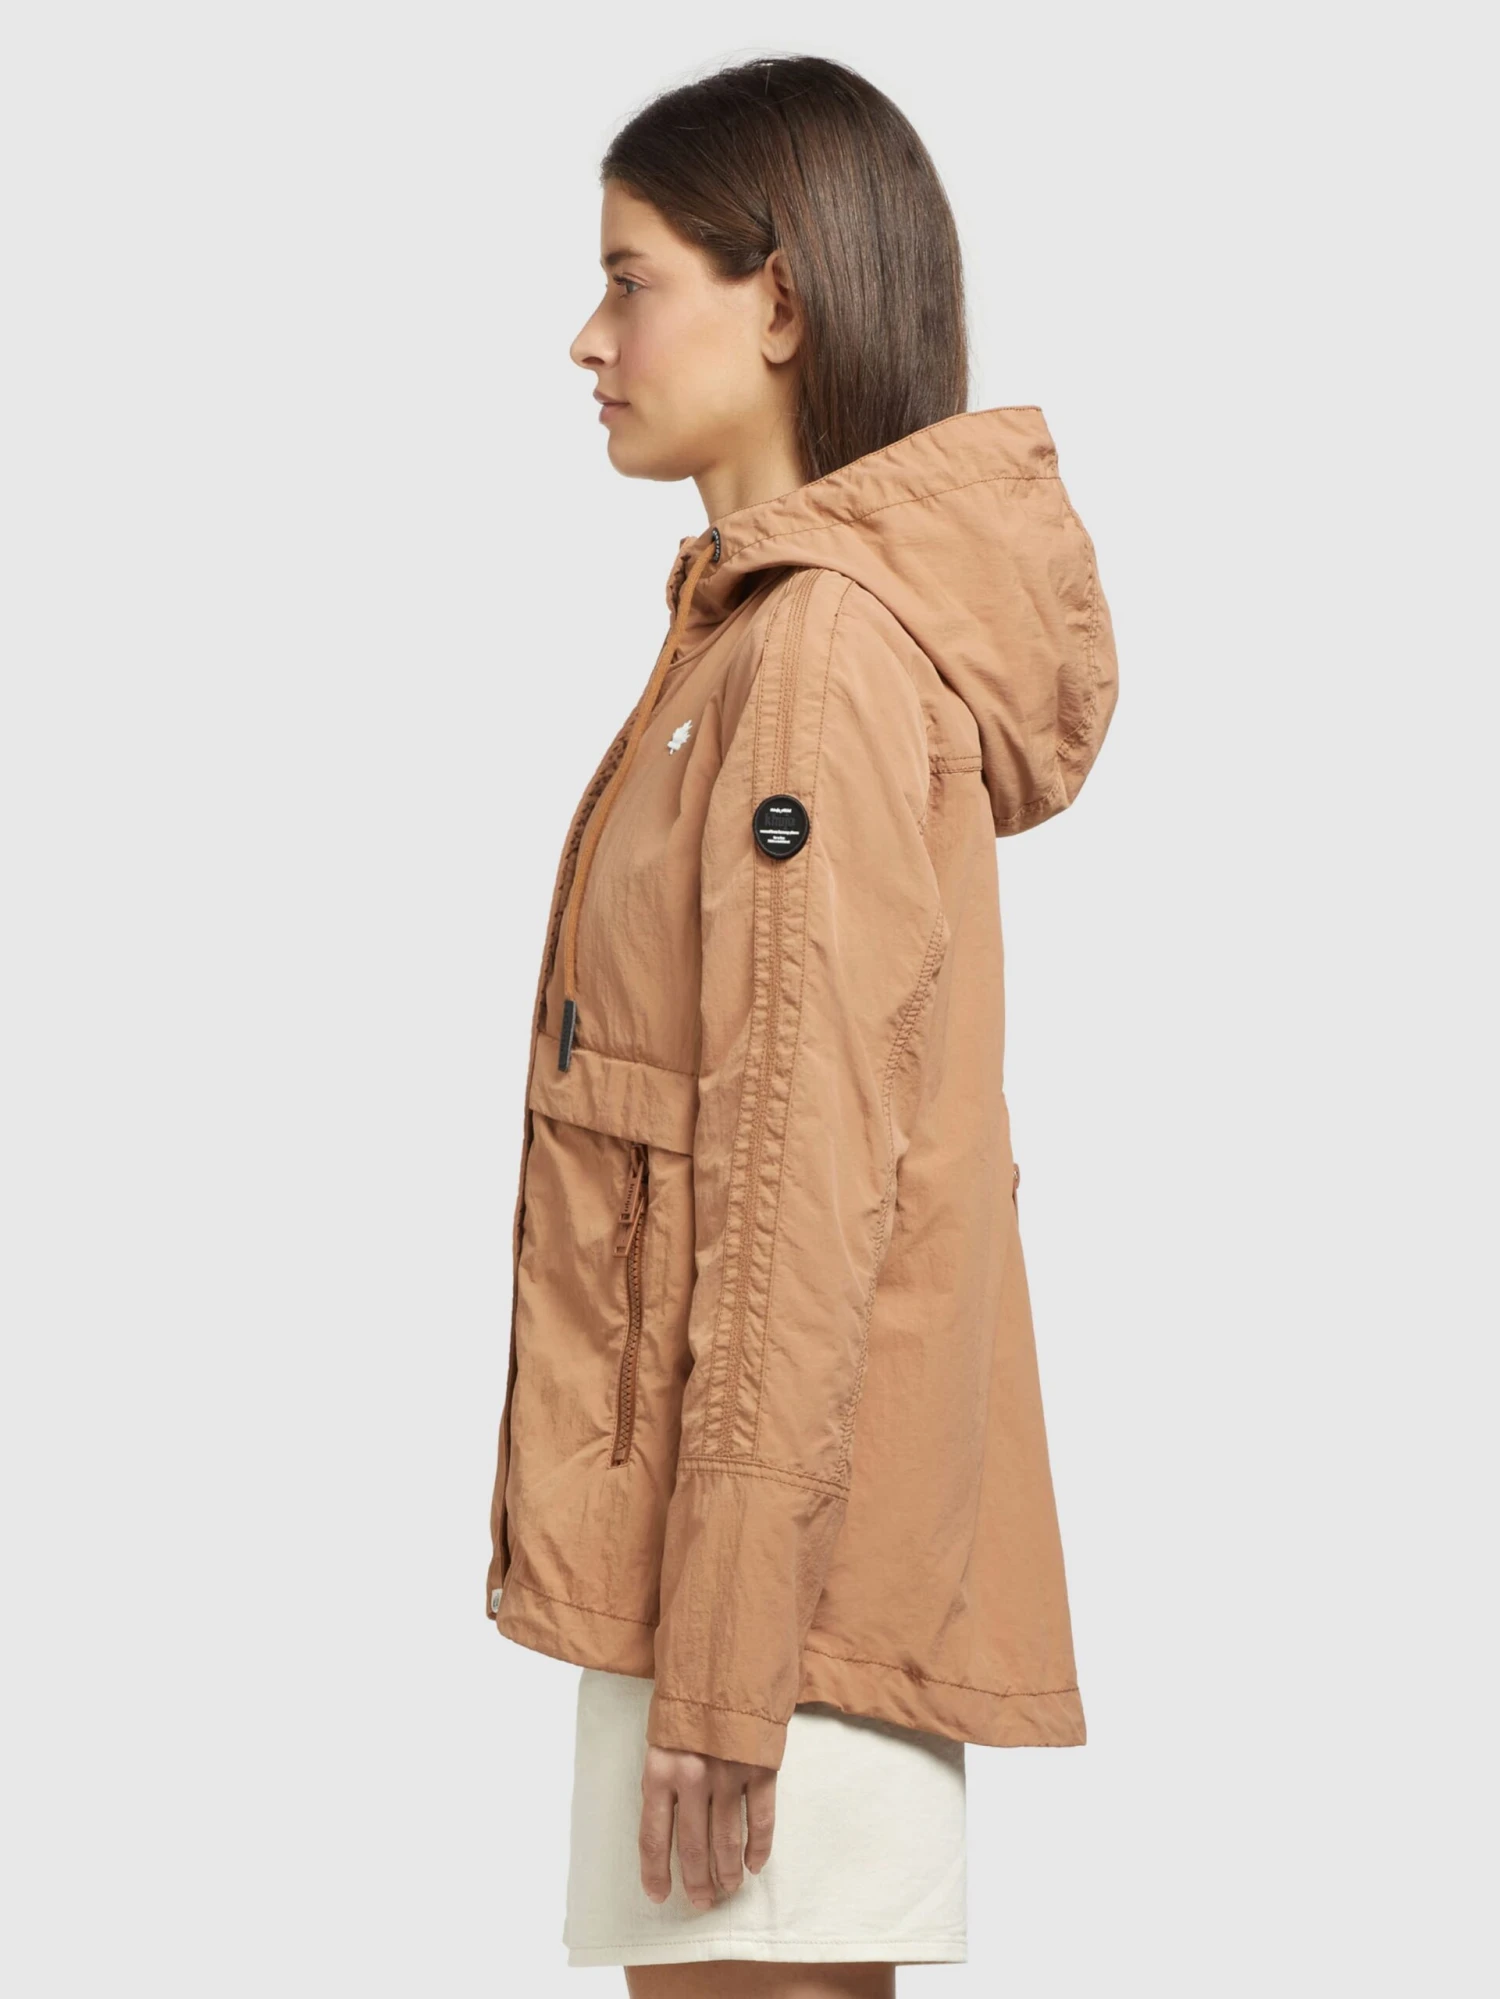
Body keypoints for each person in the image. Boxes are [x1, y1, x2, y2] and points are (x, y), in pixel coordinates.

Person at [485, 53, 1119, 1996]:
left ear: (778, 300)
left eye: (631, 278)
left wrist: (728, 1658)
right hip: (736, 1581)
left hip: (770, 1612)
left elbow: (798, 1174)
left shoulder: (817, 658)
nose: (588, 338)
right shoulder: (759, 635)